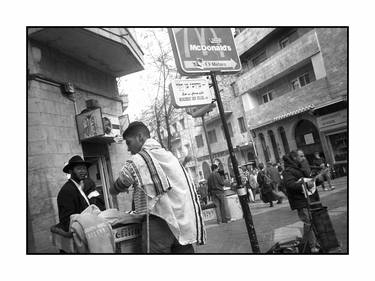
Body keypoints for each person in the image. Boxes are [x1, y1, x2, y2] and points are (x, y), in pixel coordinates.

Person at [110, 121, 206, 253]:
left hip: (159, 224)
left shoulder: (139, 159)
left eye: (128, 142)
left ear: (140, 137)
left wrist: (113, 190)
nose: (128, 148)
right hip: (182, 222)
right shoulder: (170, 157)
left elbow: (122, 181)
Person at [282, 150, 320, 253]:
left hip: (310, 199)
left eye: (304, 156)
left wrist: (319, 179)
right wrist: (305, 184)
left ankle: (308, 243)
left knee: (312, 222)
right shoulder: (288, 171)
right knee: (308, 222)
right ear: (295, 158)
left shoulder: (302, 167)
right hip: (301, 201)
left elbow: (310, 180)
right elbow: (290, 185)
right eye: (301, 156)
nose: (304, 158)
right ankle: (312, 246)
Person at [57, 155, 92, 232]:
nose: (83, 171)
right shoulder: (67, 191)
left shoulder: (79, 187)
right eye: (79, 169)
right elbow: (67, 221)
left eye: (84, 168)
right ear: (70, 171)